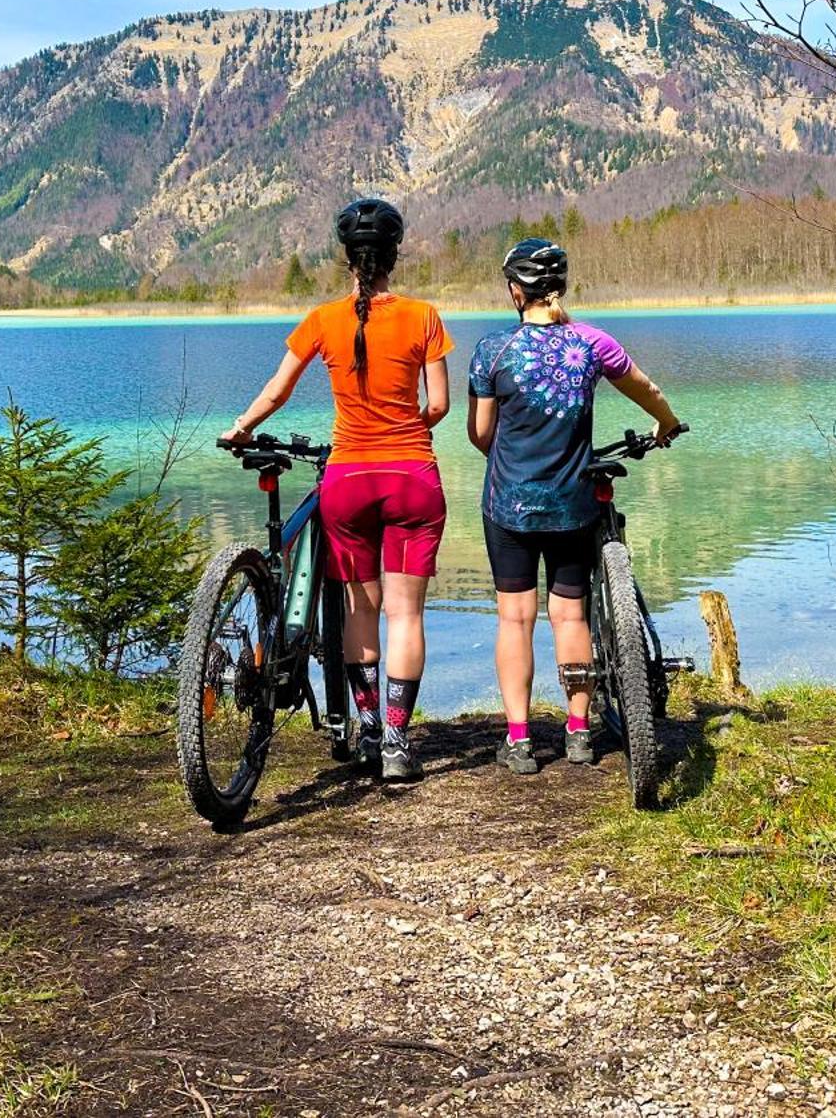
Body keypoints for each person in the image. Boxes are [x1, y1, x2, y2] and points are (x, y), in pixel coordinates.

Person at [226, 198, 454, 783]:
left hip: (347, 481)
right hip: (412, 479)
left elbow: (277, 392)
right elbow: (439, 406)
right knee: (406, 614)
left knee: (360, 612)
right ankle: (400, 745)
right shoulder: (424, 316)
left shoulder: (323, 320)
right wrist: (404, 433)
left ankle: (370, 731)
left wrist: (241, 427)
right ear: (393, 257)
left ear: (348, 260)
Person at [467, 237, 683, 775]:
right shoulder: (591, 344)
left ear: (517, 292)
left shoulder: (492, 350)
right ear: (560, 287)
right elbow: (647, 387)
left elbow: (480, 433)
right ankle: (579, 730)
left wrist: (515, 457)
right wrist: (667, 423)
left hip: (509, 505)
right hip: (574, 503)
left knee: (514, 618)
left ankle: (518, 740)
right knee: (570, 614)